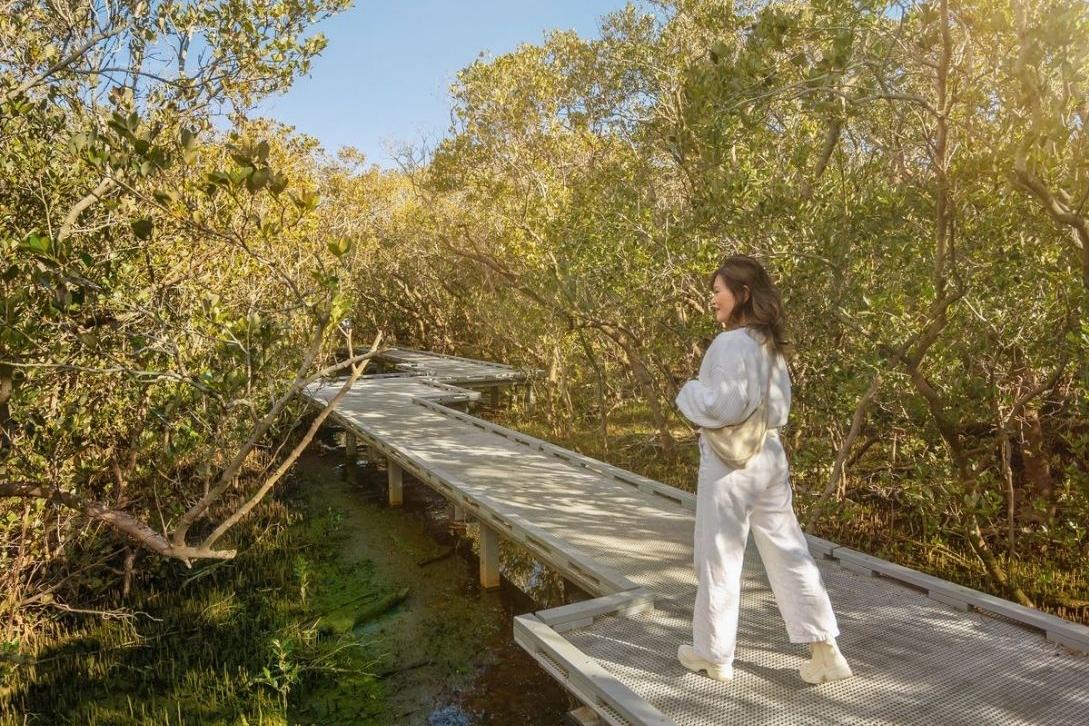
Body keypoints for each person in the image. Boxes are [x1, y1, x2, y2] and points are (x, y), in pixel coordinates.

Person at [674, 254, 853, 685]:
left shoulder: (730, 344)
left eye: (718, 291)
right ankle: (825, 649)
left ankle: (714, 655)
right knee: (790, 551)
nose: (712, 298)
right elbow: (780, 408)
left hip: (729, 464)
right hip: (769, 456)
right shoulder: (768, 345)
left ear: (742, 294)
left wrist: (689, 390)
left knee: (720, 557)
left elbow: (722, 406)